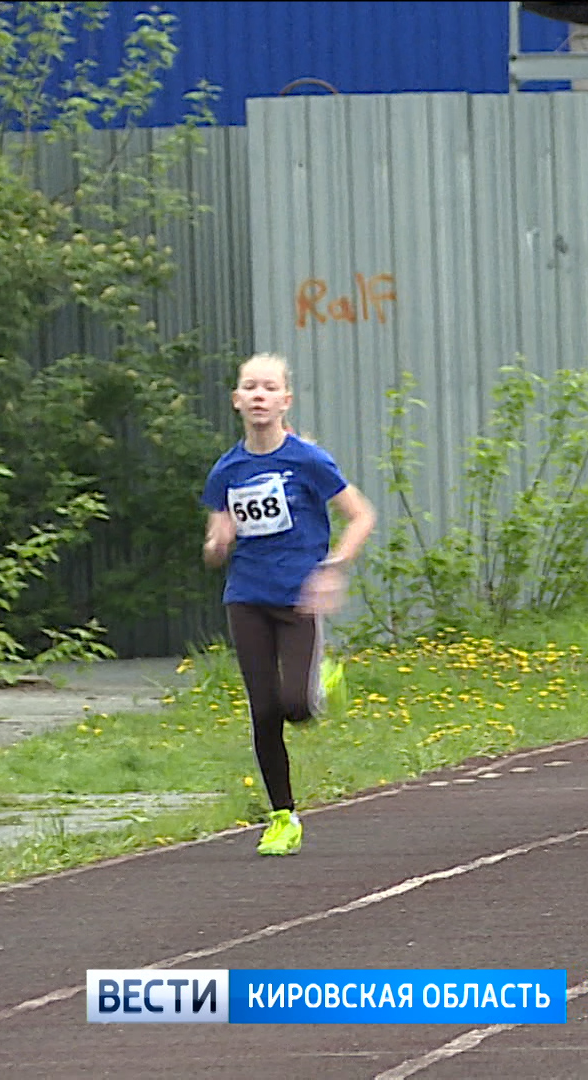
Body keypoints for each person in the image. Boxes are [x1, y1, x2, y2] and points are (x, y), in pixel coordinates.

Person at [202, 353, 376, 856]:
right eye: (249, 387)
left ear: (285, 401)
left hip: (299, 597)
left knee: (296, 706)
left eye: (268, 387)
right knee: (264, 711)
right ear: (237, 401)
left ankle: (322, 684)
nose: (259, 395)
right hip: (247, 597)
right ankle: (283, 817)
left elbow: (360, 516)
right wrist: (217, 545)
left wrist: (333, 566)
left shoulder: (308, 461)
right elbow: (215, 542)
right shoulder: (227, 471)